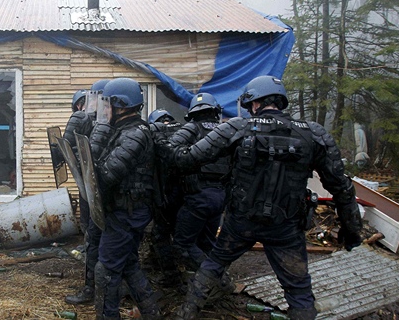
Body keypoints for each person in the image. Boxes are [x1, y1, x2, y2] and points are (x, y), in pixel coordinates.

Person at [157, 76, 363, 320]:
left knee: (212, 266)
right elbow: (342, 188)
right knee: (298, 290)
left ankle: (186, 314)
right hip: (285, 227)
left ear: (253, 104)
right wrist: (352, 232)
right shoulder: (313, 134)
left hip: (240, 224)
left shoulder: (237, 127)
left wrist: (167, 144)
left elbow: (186, 159)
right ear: (280, 101)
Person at [90, 77, 162, 320]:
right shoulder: (124, 130)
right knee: (129, 264)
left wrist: (99, 131)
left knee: (106, 270)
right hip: (125, 210)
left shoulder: (135, 133)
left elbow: (107, 174)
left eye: (107, 105)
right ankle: (153, 313)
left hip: (128, 212)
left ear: (120, 106)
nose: (104, 111)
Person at [168, 93, 230, 274]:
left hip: (199, 195)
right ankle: (214, 278)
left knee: (182, 244)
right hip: (220, 197)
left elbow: (170, 149)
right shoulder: (225, 131)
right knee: (207, 242)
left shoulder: (192, 128)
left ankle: (212, 277)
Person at [65, 79, 110, 305]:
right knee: (96, 240)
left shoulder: (111, 127)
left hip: (105, 195)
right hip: (97, 191)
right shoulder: (100, 124)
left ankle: (93, 290)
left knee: (96, 240)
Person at [147, 109, 184, 286]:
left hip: (164, 194)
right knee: (180, 234)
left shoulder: (152, 133)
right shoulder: (185, 130)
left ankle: (171, 276)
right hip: (187, 195)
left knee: (160, 234)